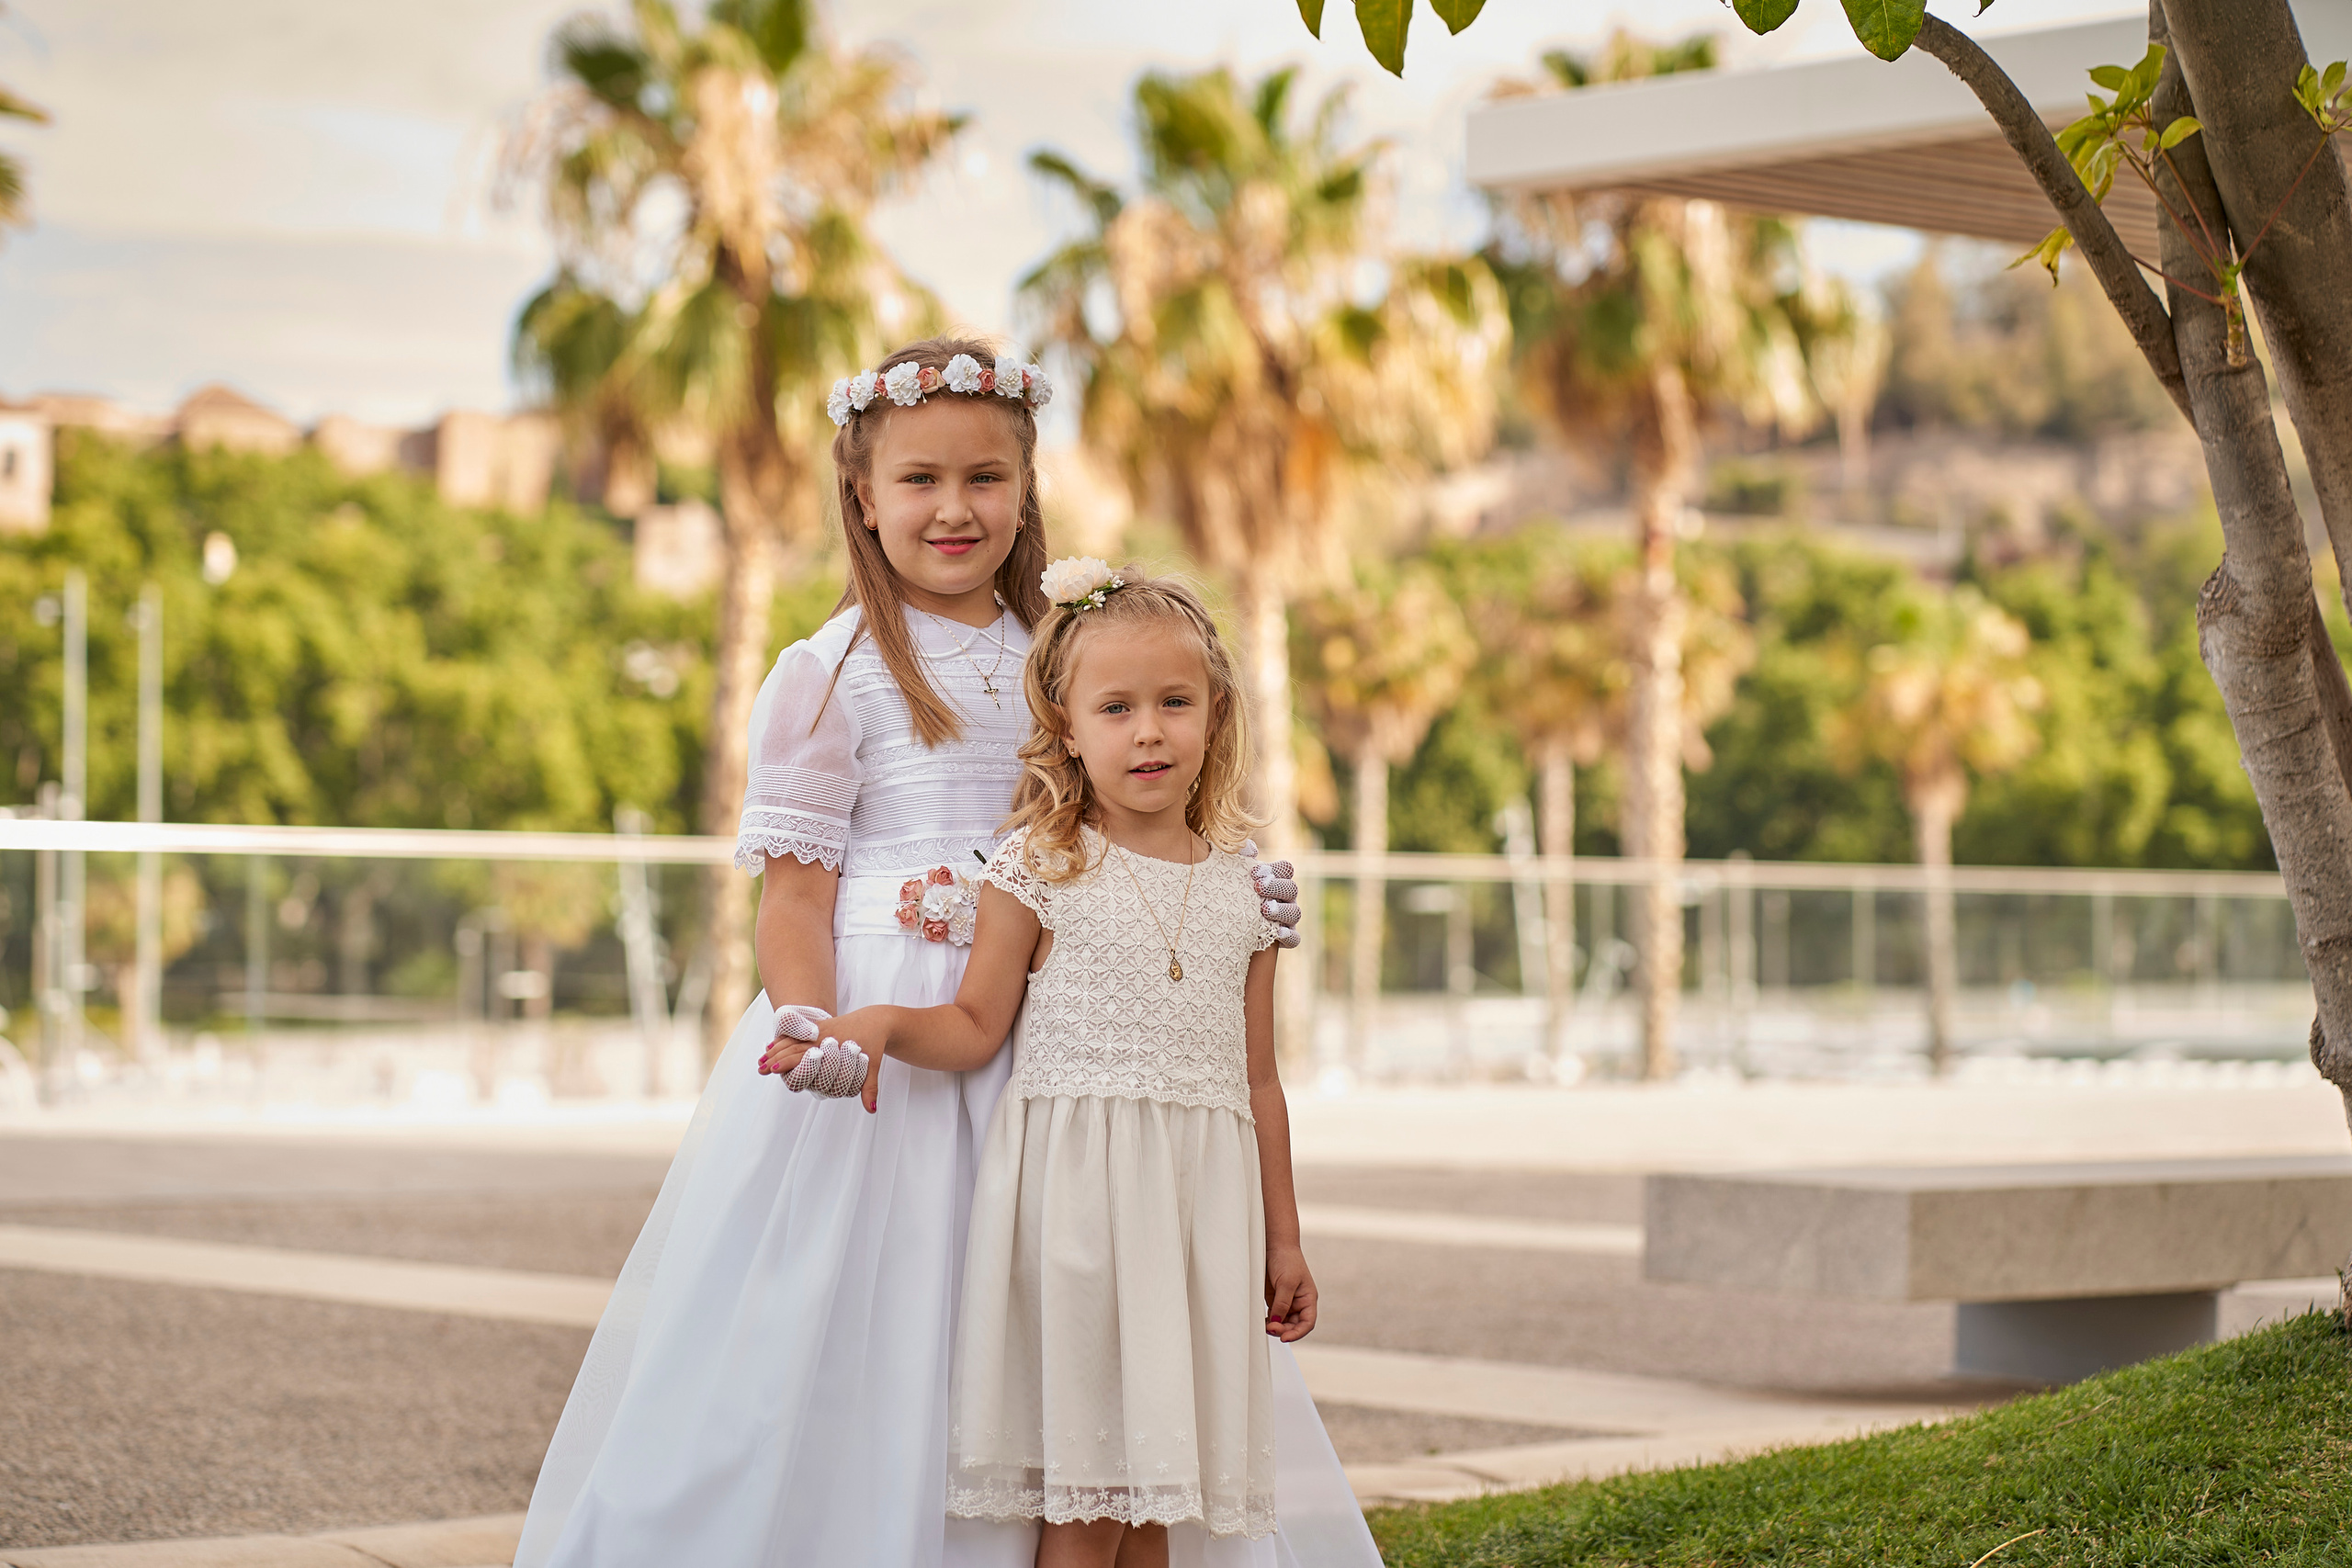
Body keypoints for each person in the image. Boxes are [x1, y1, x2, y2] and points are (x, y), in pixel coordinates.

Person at [514, 338, 1361, 1568]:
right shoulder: (828, 672)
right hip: (890, 1035)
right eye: (918, 480)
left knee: (1074, 1326)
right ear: (862, 494)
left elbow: (1131, 802)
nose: (953, 507)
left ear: (1026, 487)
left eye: (984, 477)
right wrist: (810, 1020)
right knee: (887, 1317)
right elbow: (796, 903)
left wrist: (1212, 872)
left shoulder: (1064, 656)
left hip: (1052, 1033)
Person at [775, 563, 1351, 1568]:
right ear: (1066, 726)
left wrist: (1285, 1240)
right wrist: (874, 1023)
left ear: (1216, 717)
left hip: (1196, 1224)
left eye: (1176, 704)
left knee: (1154, 1503)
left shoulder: (1247, 894)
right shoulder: (1038, 869)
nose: (1149, 732)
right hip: (1078, 1220)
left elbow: (1258, 1083)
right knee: (1085, 1504)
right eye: (1116, 707)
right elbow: (971, 1024)